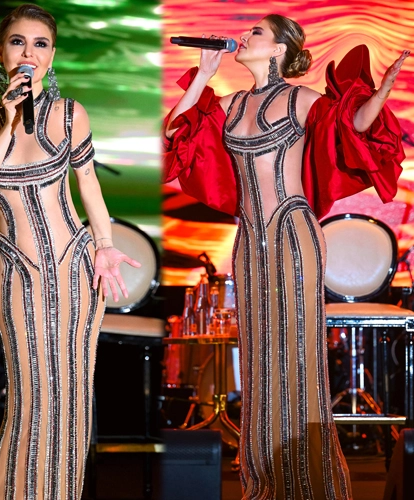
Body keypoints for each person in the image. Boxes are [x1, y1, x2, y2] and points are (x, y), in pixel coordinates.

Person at [164, 14, 409, 500]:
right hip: (249, 238)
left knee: (296, 353)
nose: (245, 36)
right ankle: (265, 478)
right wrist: (204, 75)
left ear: (279, 49)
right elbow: (175, 134)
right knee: (257, 359)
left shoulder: (301, 99)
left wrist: (383, 90)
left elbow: (356, 125)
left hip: (293, 233)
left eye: (257, 32)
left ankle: (307, 480)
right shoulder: (231, 104)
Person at [0, 4, 140, 499]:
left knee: (72, 397)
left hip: (75, 266)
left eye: (40, 44)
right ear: (1, 51)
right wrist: (10, 122)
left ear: (52, 56)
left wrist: (105, 245)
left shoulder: (70, 114)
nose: (28, 53)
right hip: (17, 272)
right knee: (31, 397)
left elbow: (89, 186)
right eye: (18, 42)